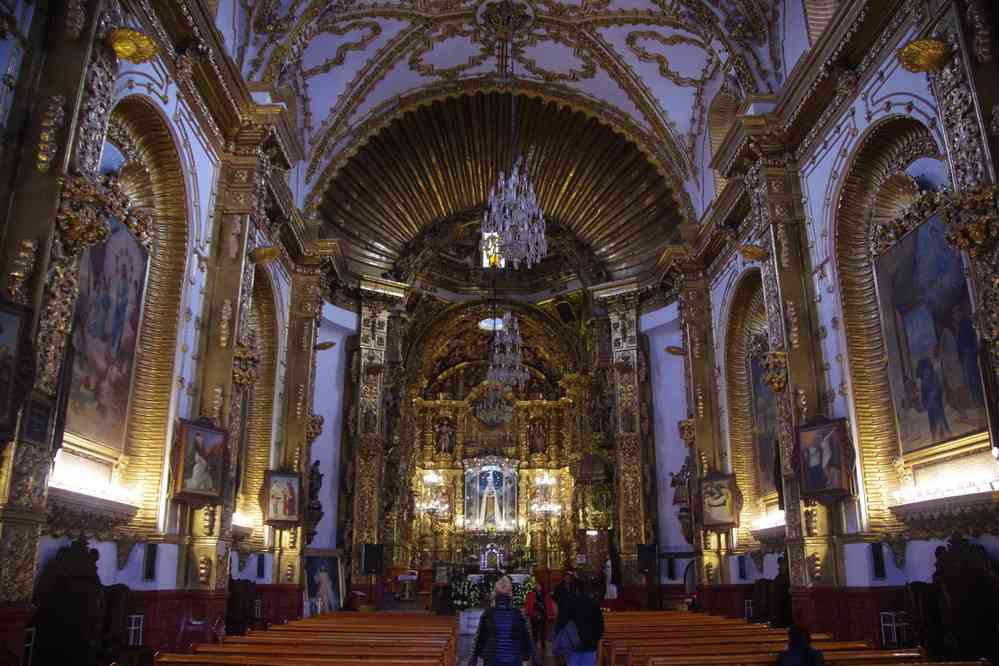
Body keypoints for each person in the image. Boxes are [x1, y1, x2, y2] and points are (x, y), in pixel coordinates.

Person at [471, 576, 534, 666]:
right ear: (510, 593)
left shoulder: (488, 613)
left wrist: (479, 655)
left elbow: (480, 638)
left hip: (492, 658)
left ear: (495, 593)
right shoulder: (517, 614)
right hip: (514, 658)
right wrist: (525, 656)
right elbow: (525, 638)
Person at [554, 584, 604, 666]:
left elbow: (562, 622)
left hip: (573, 644)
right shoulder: (595, 606)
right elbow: (600, 628)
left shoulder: (570, 603)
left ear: (578, 591)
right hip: (590, 646)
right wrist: (595, 641)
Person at [524, 580, 555, 650]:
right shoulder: (531, 594)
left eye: (538, 585)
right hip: (534, 614)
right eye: (536, 585)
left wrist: (551, 613)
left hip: (543, 613)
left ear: (541, 587)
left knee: (543, 630)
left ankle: (543, 642)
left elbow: (549, 605)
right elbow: (528, 603)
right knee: (534, 629)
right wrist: (527, 612)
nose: (537, 586)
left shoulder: (545, 595)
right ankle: (535, 642)